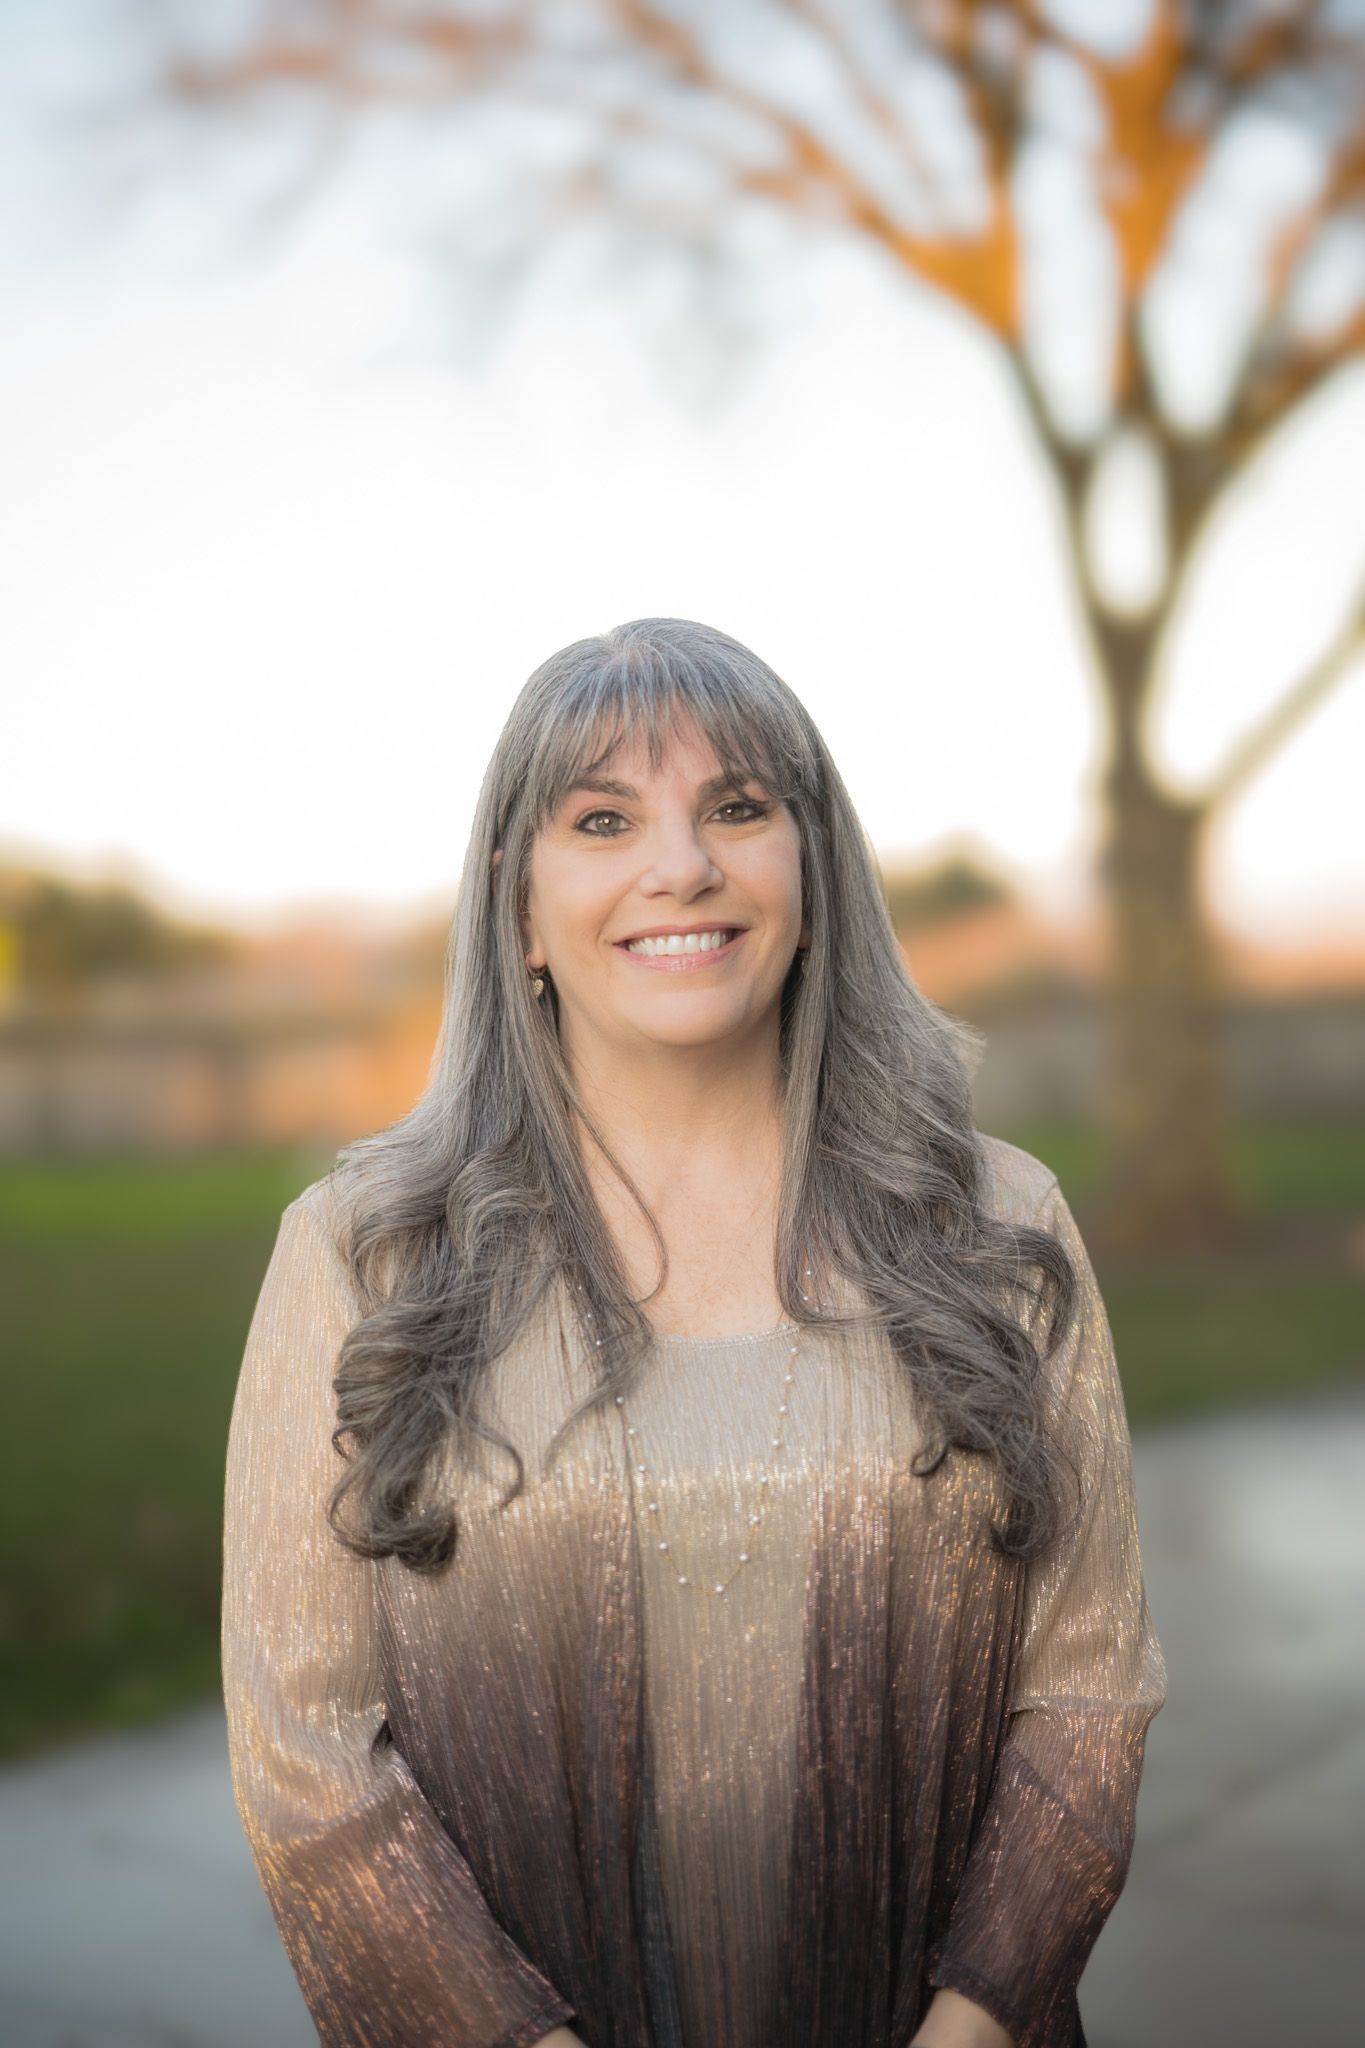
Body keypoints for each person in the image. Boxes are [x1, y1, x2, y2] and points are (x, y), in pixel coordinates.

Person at [221, 617, 1168, 2048]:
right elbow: (308, 1773)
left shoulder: (992, 1225)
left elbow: (1087, 1693)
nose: (683, 864)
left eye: (737, 807)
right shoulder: (364, 1257)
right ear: (518, 909)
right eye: (603, 819)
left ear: (812, 869)